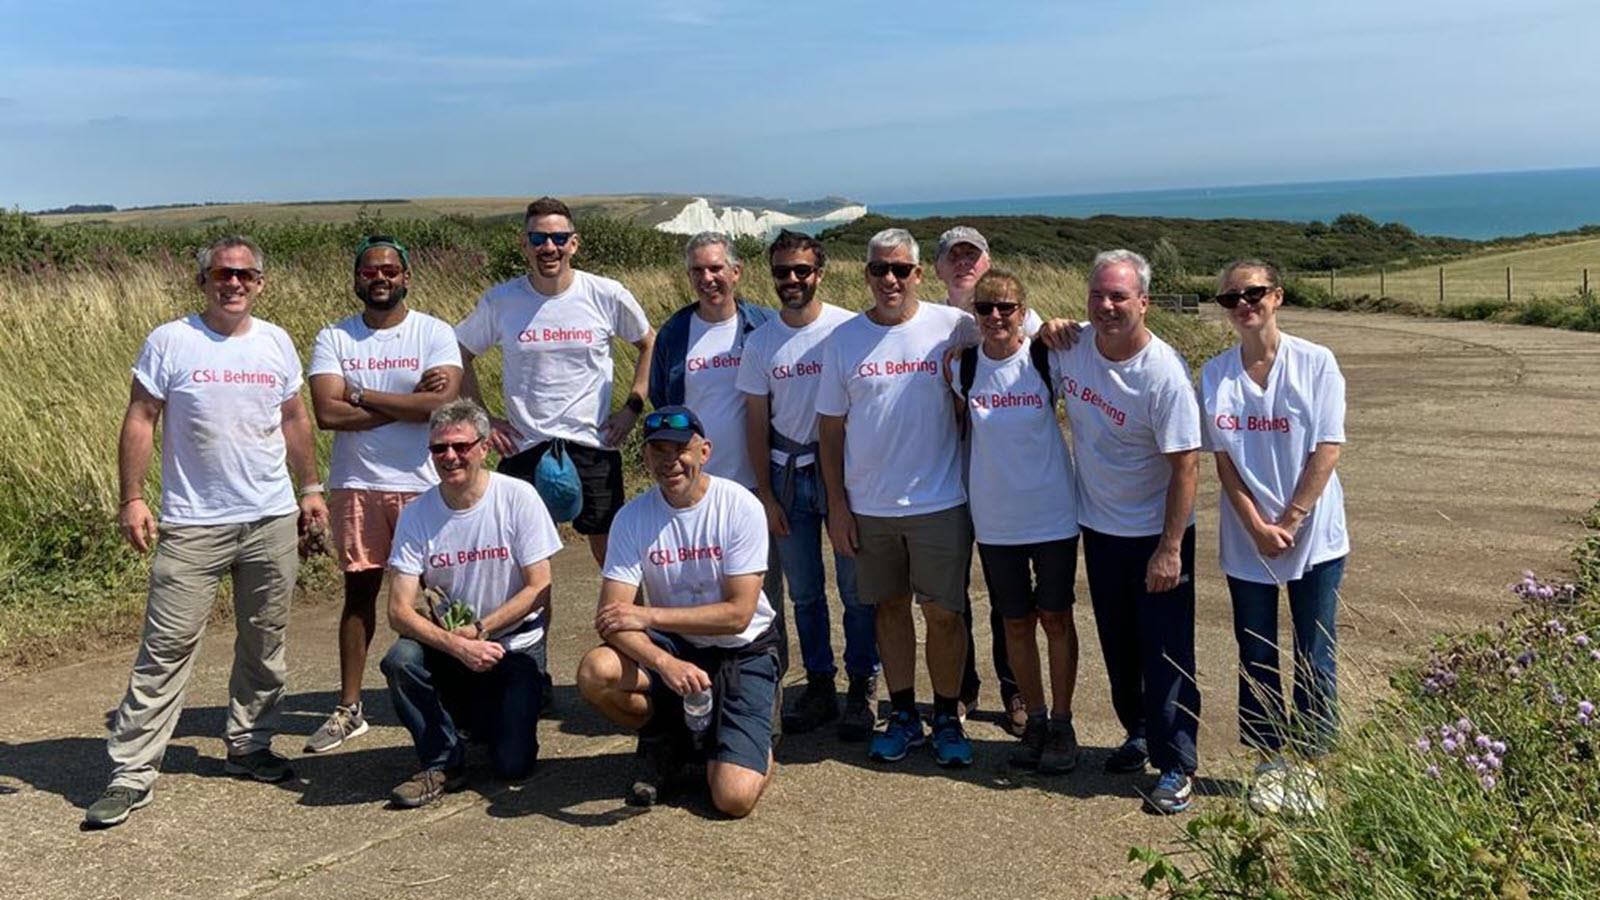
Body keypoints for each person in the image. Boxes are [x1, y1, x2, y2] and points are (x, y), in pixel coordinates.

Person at [86, 236, 329, 828]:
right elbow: (141, 418)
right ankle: (131, 773)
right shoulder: (172, 341)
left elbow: (294, 418)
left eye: (246, 275)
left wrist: (311, 489)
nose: (235, 283)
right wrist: (133, 498)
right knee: (166, 648)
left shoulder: (275, 343)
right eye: (223, 273)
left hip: (270, 517)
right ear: (204, 282)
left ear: (261, 283)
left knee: (264, 641)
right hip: (194, 523)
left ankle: (249, 745)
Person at [817, 228, 979, 767]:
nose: (891, 279)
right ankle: (904, 714)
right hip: (870, 505)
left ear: (917, 273)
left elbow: (1013, 336)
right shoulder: (842, 340)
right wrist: (837, 506)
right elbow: (831, 431)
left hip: (939, 500)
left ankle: (948, 717)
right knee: (888, 610)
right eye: (880, 269)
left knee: (944, 615)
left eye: (901, 269)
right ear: (865, 274)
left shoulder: (952, 325)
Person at [1051, 249, 1201, 814]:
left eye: (1119, 296)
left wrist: (1169, 549)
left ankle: (1177, 763)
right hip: (1099, 526)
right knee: (1118, 641)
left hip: (1156, 534)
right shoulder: (1075, 345)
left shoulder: (1163, 374)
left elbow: (1186, 464)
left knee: (1167, 651)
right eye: (1098, 295)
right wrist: (1050, 329)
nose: (1107, 305)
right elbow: (1019, 333)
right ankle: (1138, 733)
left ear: (1144, 302)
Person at [576, 406, 781, 818]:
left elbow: (738, 614)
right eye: (657, 451)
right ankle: (664, 738)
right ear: (646, 458)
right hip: (677, 649)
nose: (670, 461)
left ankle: (756, 738)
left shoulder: (739, 506)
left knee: (732, 798)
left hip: (742, 650)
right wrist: (664, 662)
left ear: (704, 451)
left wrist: (650, 617)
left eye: (680, 449)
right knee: (595, 671)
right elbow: (611, 618)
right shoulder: (633, 517)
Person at [1199, 259, 1348, 816]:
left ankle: (1309, 763)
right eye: (1230, 298)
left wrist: (1290, 521)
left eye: (1253, 293)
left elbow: (1327, 447)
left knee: (1314, 652)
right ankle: (1269, 759)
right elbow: (1225, 464)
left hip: (1315, 537)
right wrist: (1257, 526)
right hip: (1247, 539)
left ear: (1277, 296)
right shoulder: (1215, 374)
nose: (1243, 304)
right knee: (1256, 651)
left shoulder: (1316, 363)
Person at [303, 235, 462, 754]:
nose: (381, 278)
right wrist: (410, 401)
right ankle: (349, 708)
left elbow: (442, 406)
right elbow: (327, 414)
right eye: (370, 271)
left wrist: (362, 394)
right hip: (359, 484)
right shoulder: (334, 337)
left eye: (391, 270)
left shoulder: (433, 332)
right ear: (356, 279)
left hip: (424, 484)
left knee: (436, 597)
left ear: (407, 277)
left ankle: (454, 699)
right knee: (359, 597)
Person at [378, 400, 562, 808]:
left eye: (461, 446)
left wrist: (483, 630)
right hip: (453, 646)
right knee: (400, 659)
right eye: (439, 449)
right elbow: (399, 610)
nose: (450, 457)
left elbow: (539, 586)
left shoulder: (518, 498)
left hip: (511, 643)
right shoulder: (417, 514)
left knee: (512, 766)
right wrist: (459, 645)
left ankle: (488, 717)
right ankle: (441, 761)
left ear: (484, 448)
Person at [456, 196, 655, 567]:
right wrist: (482, 418)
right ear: (524, 244)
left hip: (594, 443)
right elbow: (459, 353)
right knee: (520, 562)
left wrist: (633, 407)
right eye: (538, 239)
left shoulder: (606, 294)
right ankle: (525, 626)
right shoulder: (502, 301)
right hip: (525, 445)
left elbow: (648, 343)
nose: (549, 248)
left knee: (615, 558)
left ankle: (634, 623)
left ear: (574, 243)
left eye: (559, 239)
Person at [738, 229, 880, 740]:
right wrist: (766, 493)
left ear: (820, 272)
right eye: (782, 272)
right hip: (786, 473)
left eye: (802, 271)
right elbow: (755, 420)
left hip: (843, 472)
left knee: (856, 588)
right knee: (803, 592)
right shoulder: (760, 342)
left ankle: (863, 685)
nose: (792, 280)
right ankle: (820, 684)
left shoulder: (849, 329)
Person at [952, 270, 1082, 774]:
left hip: (1052, 514)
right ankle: (1038, 720)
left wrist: (1060, 324)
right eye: (985, 309)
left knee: (1056, 617)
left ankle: (1065, 722)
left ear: (1024, 311)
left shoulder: (1047, 357)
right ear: (975, 315)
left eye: (1007, 307)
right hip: (995, 519)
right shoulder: (961, 368)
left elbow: (1098, 342)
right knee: (1015, 622)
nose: (996, 317)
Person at [648, 232, 787, 675]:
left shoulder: (764, 326)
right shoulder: (675, 333)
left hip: (756, 482)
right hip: (696, 487)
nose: (708, 279)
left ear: (736, 272)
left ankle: (768, 689)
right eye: (698, 271)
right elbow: (662, 401)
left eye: (716, 269)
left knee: (765, 594)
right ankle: (705, 681)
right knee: (703, 590)